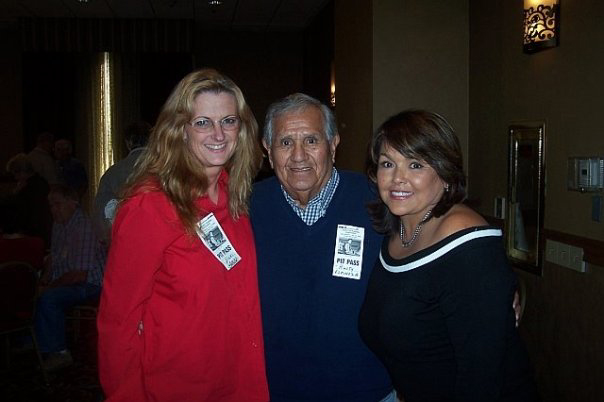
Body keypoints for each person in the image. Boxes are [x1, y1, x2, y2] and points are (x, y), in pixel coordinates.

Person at [97, 68, 269, 401]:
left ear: (242, 129)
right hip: (176, 388)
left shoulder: (234, 197)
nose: (218, 134)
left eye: (229, 121)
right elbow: (118, 322)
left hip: (237, 381)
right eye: (203, 122)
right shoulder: (150, 206)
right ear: (180, 130)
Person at [358, 110, 537, 402]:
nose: (397, 178)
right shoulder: (396, 233)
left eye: (415, 165)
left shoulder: (466, 243)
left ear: (445, 174)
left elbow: (482, 377)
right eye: (387, 164)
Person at [250, 93, 394, 401]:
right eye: (285, 142)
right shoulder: (246, 207)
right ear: (268, 150)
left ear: (333, 144)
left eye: (311, 141)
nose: (298, 155)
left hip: (368, 390)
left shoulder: (380, 201)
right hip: (277, 391)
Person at [35, 184, 105, 371]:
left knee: (49, 298)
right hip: (69, 280)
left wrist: (48, 287)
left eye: (57, 204)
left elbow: (79, 275)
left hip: (90, 284)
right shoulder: (59, 225)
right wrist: (43, 280)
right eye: (51, 205)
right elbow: (54, 257)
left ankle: (59, 352)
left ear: (72, 203)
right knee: (32, 291)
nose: (53, 209)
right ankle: (34, 340)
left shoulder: (83, 226)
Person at [93, 121, 151, 246]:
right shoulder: (167, 169)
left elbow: (101, 218)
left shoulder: (112, 174)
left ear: (128, 143)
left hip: (125, 242)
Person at [4, 153, 52, 246]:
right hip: (41, 232)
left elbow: (16, 210)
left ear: (22, 172)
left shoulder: (27, 188)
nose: (15, 178)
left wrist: (15, 193)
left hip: (29, 232)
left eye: (15, 174)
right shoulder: (42, 183)